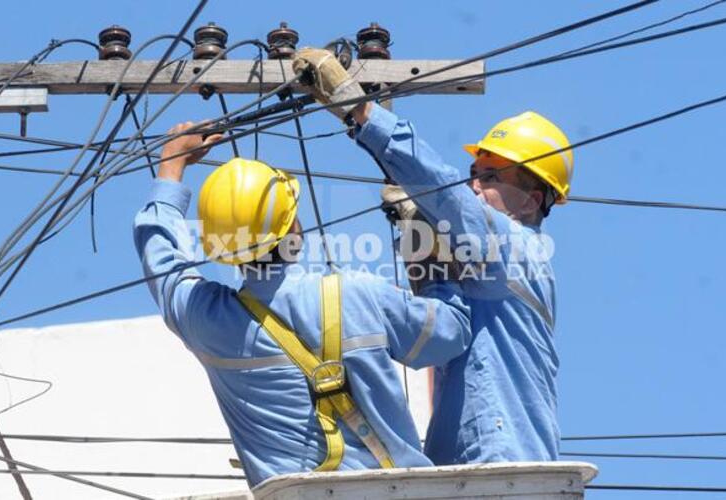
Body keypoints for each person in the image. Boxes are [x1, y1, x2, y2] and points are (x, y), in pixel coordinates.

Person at [132, 121, 472, 487]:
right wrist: (433, 262)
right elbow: (451, 334)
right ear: (292, 227)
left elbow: (163, 260)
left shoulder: (210, 323)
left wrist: (171, 163)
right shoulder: (359, 295)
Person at [293, 48, 573, 464]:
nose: (475, 186)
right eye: (475, 175)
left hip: (508, 466)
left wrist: (361, 110)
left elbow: (444, 192)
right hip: (457, 466)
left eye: (491, 178)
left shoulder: (520, 251)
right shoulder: (481, 264)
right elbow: (437, 333)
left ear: (532, 201)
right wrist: (418, 234)